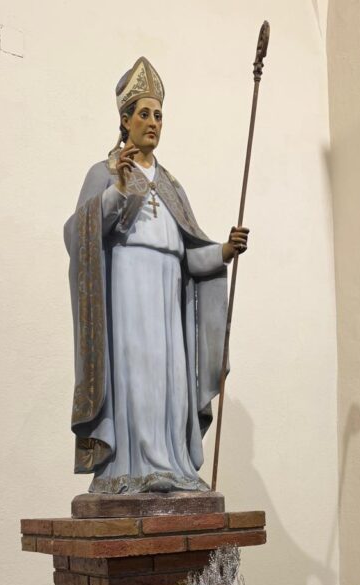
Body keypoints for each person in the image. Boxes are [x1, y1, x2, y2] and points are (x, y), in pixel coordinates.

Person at [64, 57, 249, 493]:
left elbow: (189, 255)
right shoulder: (105, 173)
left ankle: (173, 463)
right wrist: (118, 191)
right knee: (138, 371)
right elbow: (78, 235)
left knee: (171, 378)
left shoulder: (171, 185)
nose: (152, 122)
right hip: (128, 286)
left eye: (159, 115)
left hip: (169, 290)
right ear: (125, 121)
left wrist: (223, 251)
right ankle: (131, 467)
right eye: (144, 114)